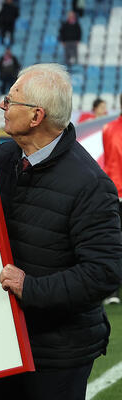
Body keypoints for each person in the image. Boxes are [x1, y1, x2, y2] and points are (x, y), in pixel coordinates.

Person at [0, 63, 122, 400]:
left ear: (36, 116)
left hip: (58, 352)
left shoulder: (91, 185)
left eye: (10, 101)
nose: (2, 108)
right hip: (1, 340)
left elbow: (104, 272)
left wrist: (31, 288)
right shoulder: (2, 157)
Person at [100, 93, 122, 305]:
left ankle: (112, 292)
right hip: (116, 190)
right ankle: (112, 291)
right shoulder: (109, 129)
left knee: (114, 242)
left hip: (114, 189)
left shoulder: (108, 129)